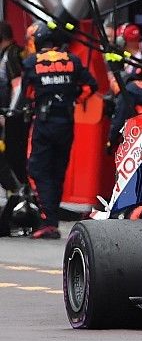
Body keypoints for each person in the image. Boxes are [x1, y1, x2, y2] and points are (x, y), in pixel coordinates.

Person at [19, 21, 97, 239]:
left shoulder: (31, 62)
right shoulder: (72, 60)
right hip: (66, 123)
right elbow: (92, 86)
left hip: (43, 123)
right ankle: (50, 220)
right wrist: (73, 99)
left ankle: (49, 220)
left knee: (37, 170)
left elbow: (28, 94)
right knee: (57, 172)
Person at [0, 21, 24, 194]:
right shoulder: (10, 53)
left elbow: (18, 86)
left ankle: (18, 193)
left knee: (13, 156)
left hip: (13, 117)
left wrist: (9, 113)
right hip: (13, 115)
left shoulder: (11, 55)